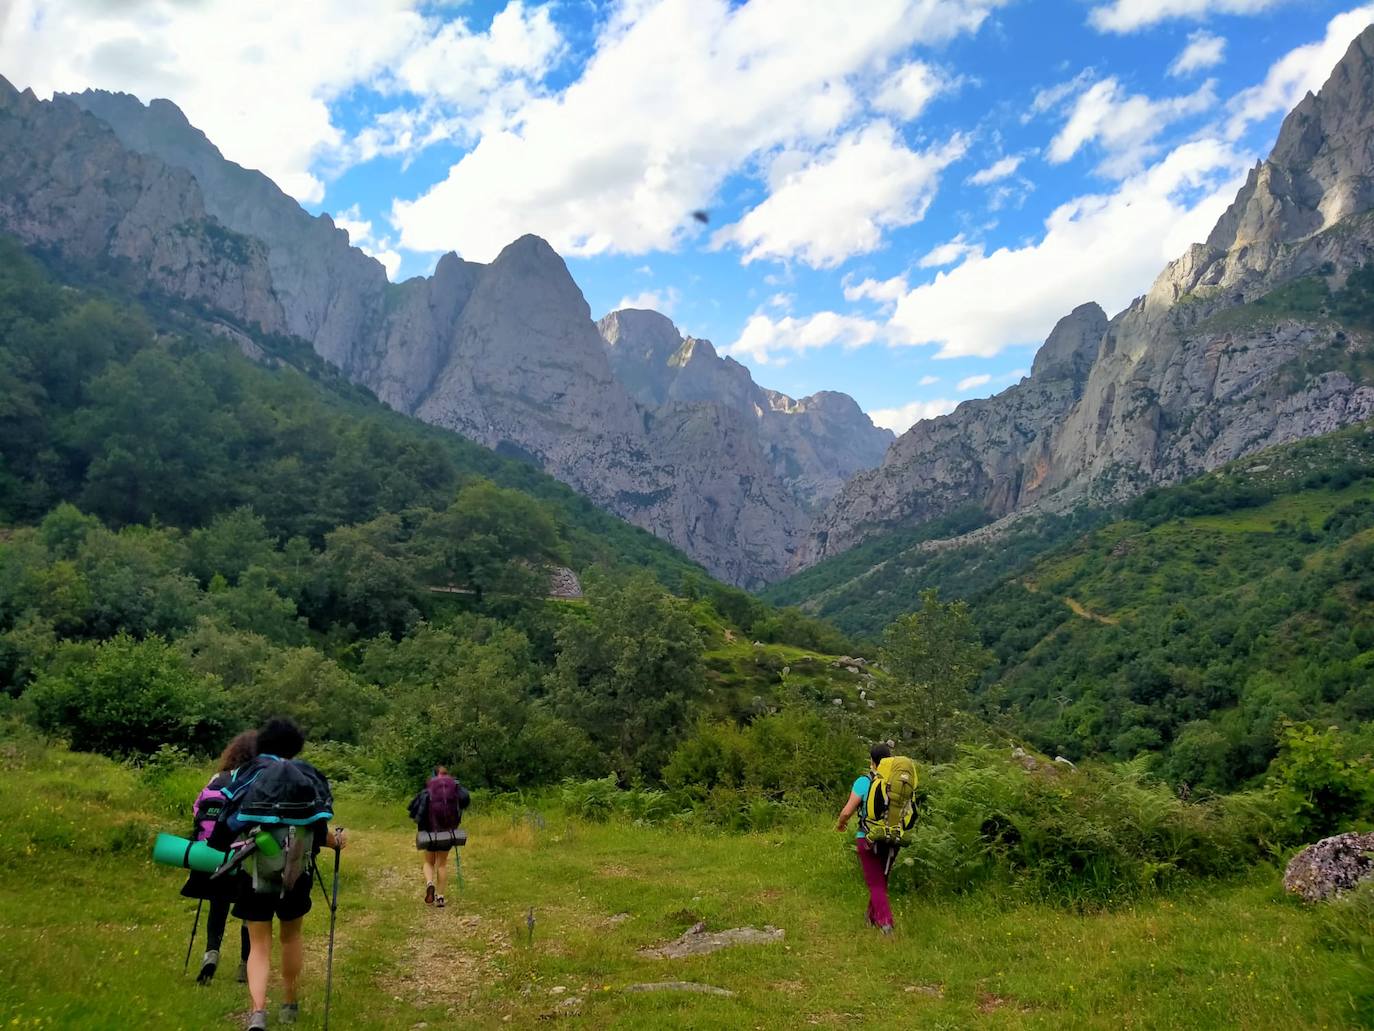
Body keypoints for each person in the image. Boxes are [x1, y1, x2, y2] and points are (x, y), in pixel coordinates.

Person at [225, 718, 346, 1030]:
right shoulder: (306, 775)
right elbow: (318, 830)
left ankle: (257, 1013)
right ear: (295, 748)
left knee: (259, 944)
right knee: (291, 936)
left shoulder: (247, 773)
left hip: (254, 871)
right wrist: (334, 842)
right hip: (297, 872)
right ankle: (289, 1003)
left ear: (262, 743)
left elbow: (227, 825)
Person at [183, 730, 257, 984]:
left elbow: (197, 811)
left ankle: (211, 953)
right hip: (242, 853)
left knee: (218, 903)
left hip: (211, 852)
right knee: (248, 908)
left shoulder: (218, 778)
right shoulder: (254, 780)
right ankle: (245, 965)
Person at [834, 742, 895, 935]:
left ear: (872, 761)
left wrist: (841, 824)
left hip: (866, 838)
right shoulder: (896, 782)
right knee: (880, 881)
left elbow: (847, 812)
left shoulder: (864, 781)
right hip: (891, 837)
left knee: (876, 884)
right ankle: (871, 917)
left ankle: (886, 925)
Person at [412, 765, 470, 909]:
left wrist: (422, 829)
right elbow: (465, 802)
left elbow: (417, 813)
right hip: (448, 832)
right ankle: (441, 897)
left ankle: (429, 883)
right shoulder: (454, 790)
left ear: (433, 775)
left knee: (428, 862)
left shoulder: (428, 791)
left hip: (431, 833)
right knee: (442, 863)